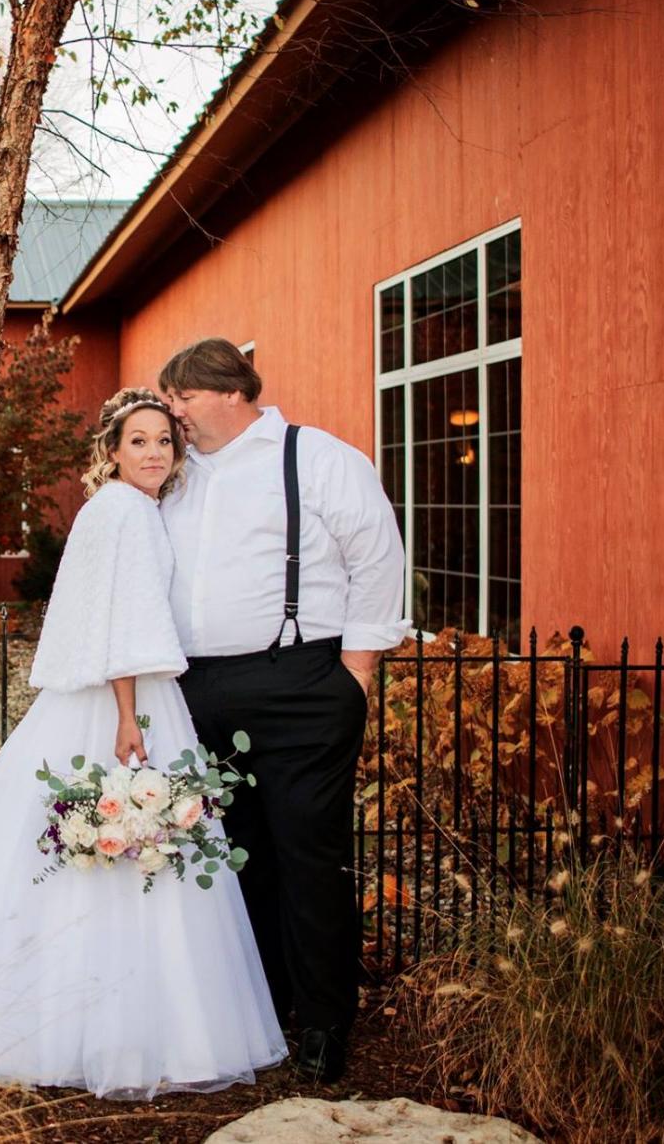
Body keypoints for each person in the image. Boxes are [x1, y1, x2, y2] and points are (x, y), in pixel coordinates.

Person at [0, 388, 286, 1100]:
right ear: (113, 451)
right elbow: (126, 622)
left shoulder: (116, 509)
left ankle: (97, 1018)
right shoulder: (126, 512)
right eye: (138, 441)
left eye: (164, 441)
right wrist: (129, 716)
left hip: (107, 692)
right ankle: (130, 1028)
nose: (154, 453)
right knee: (121, 846)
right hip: (126, 698)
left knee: (99, 851)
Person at [158, 338, 409, 1084]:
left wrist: (357, 672)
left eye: (184, 397)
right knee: (232, 856)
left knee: (309, 855)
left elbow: (377, 556)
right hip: (195, 690)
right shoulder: (175, 474)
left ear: (232, 393)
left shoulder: (318, 457)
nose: (174, 412)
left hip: (300, 685)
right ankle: (260, 1008)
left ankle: (326, 1023)